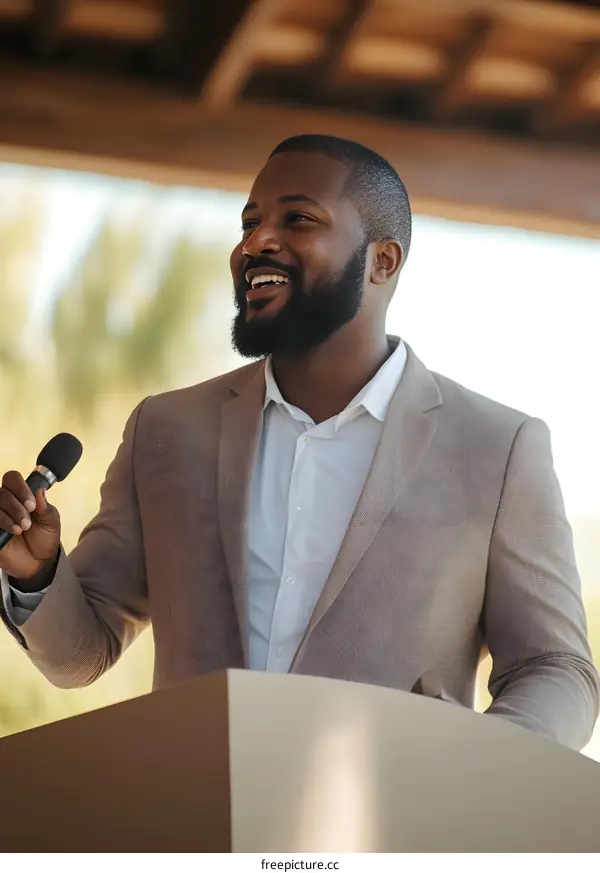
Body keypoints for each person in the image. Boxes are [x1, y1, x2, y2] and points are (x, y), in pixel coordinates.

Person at [0, 135, 597, 751]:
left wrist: (474, 770)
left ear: (382, 262)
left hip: (392, 834)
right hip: (196, 827)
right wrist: (36, 573)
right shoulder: (167, 430)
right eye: (250, 222)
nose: (255, 241)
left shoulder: (498, 449)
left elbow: (556, 670)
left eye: (299, 219)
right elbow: (79, 656)